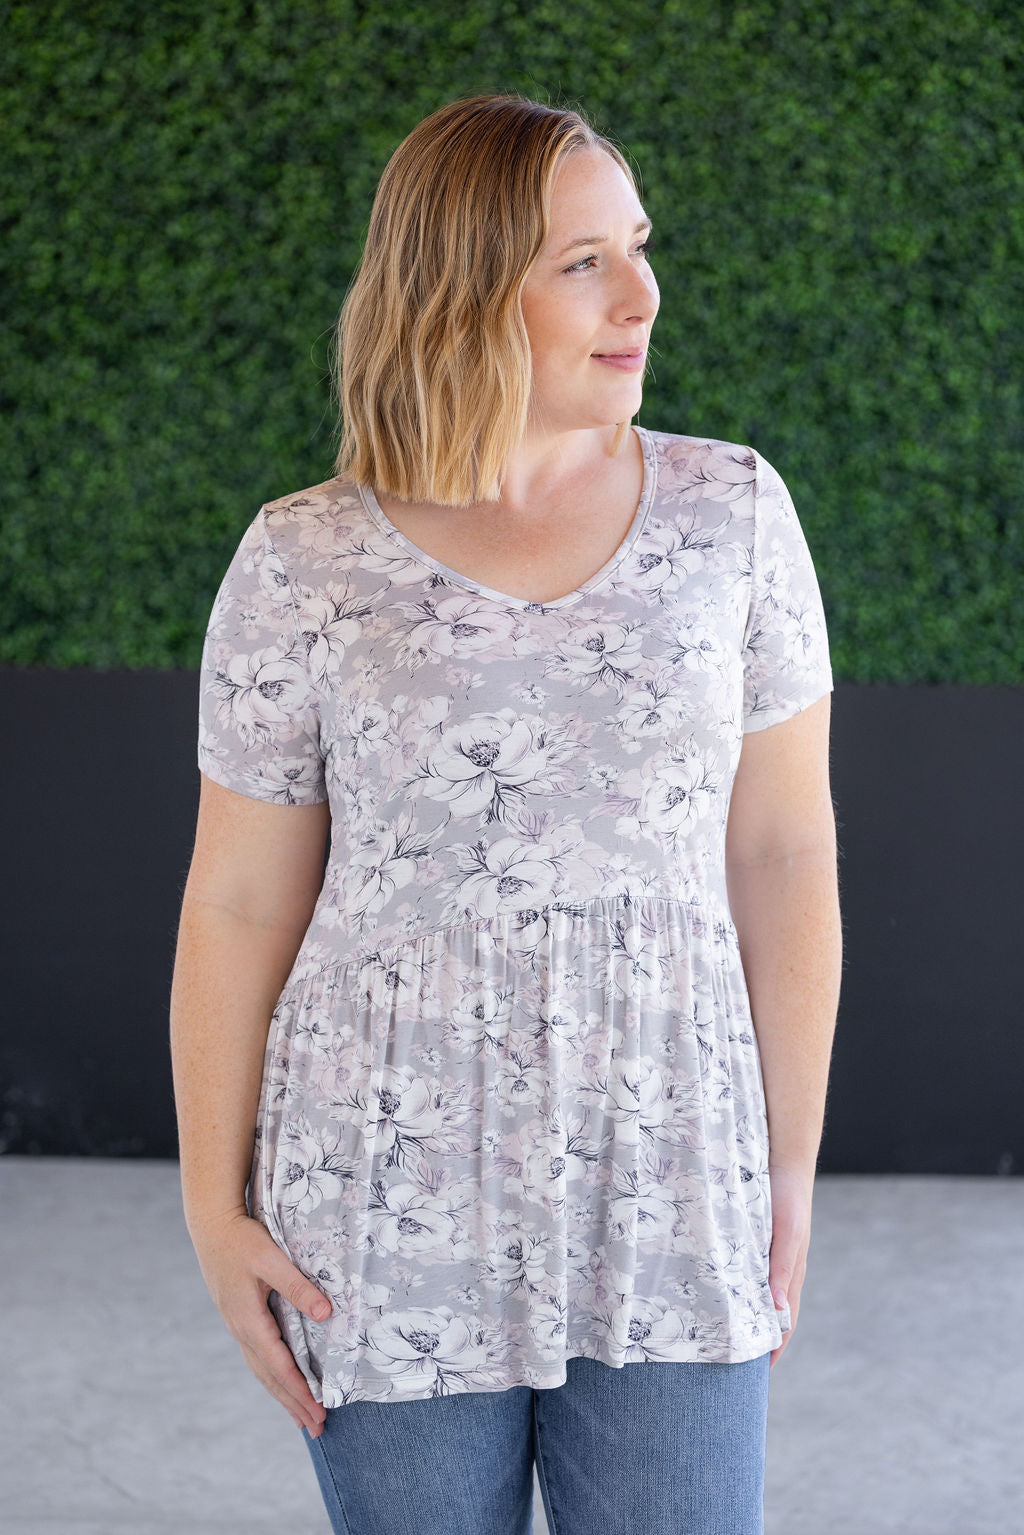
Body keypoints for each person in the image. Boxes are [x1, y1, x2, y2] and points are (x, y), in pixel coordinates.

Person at [170, 91, 842, 1535]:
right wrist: (213, 1213)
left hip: (670, 1177)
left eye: (639, 247)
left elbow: (785, 854)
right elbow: (237, 900)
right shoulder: (304, 560)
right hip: (381, 1192)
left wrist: (783, 1165)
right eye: (583, 262)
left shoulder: (732, 515)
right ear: (462, 287)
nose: (641, 296)